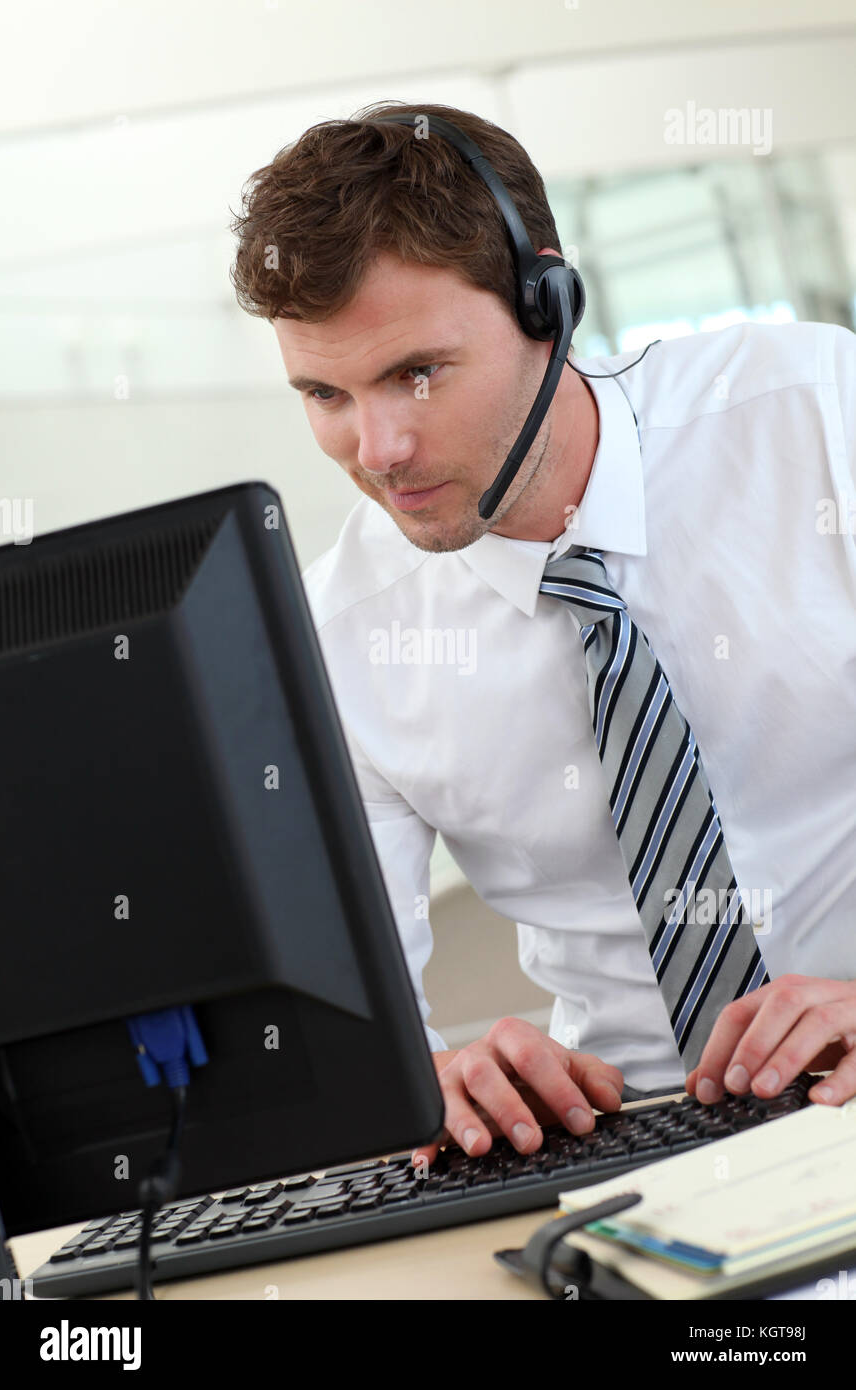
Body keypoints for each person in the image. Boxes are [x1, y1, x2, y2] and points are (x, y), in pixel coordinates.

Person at [231, 100, 856, 1168]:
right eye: (325, 393)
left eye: (415, 373)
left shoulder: (812, 416)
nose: (376, 447)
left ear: (547, 301)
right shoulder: (336, 638)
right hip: (628, 1135)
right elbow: (339, 1023)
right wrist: (426, 1078)